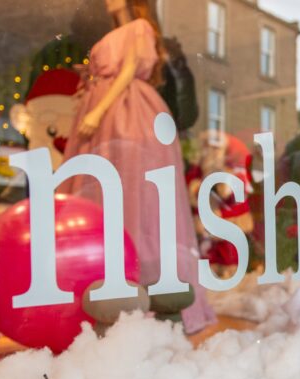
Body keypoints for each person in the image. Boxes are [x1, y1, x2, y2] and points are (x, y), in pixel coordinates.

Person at [61, 0, 215, 334]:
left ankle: (141, 296)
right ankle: (94, 292)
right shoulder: (114, 33)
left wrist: (98, 110)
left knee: (134, 197)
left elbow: (129, 69)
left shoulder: (139, 29)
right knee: (102, 194)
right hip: (106, 112)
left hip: (125, 115)